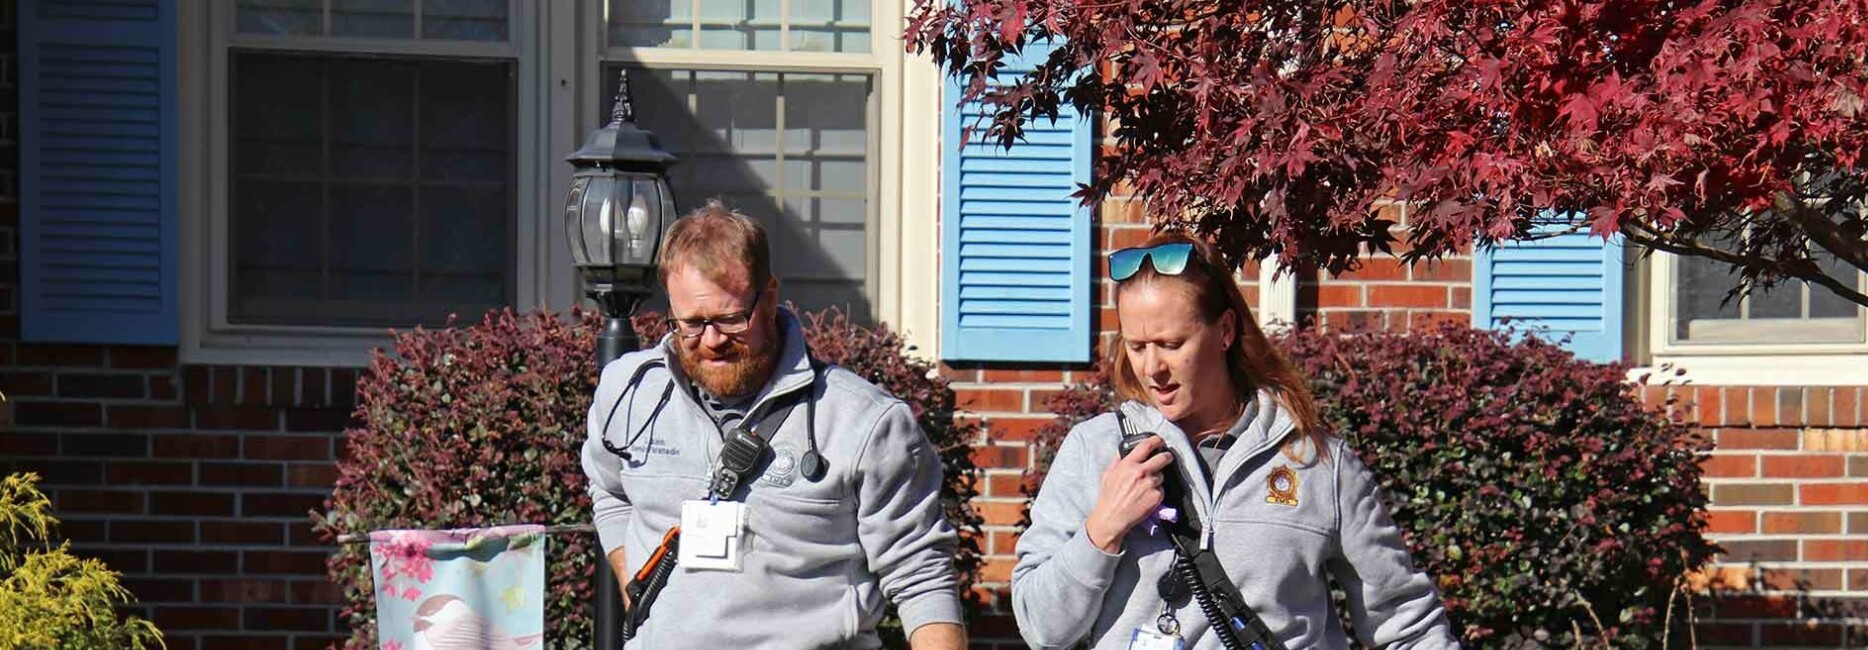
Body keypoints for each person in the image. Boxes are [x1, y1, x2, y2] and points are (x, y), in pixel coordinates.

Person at [1012, 232, 1460, 649]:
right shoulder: (1093, 450)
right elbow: (1041, 627)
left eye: (1172, 344)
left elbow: (1408, 623)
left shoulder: (1317, 463)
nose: (1152, 369)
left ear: (1225, 331)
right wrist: (1103, 528)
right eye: (1137, 346)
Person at [581, 201, 967, 649]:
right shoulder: (628, 392)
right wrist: (638, 588)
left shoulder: (864, 422)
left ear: (768, 297)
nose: (712, 340)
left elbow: (922, 578)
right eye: (692, 323)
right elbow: (608, 490)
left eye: (730, 319)